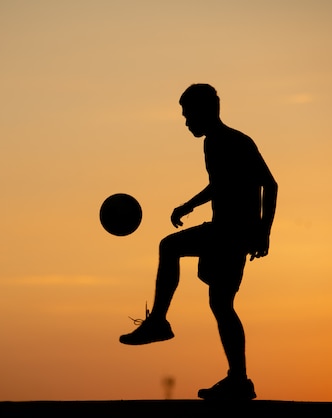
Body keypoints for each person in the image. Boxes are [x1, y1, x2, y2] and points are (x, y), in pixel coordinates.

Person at [119, 84, 277, 401]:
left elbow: (268, 184)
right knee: (221, 304)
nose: (186, 121)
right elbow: (220, 186)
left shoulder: (229, 141)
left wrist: (263, 232)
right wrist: (189, 205)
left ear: (205, 112)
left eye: (188, 114)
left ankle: (159, 323)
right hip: (232, 232)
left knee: (169, 246)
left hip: (230, 232)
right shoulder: (218, 142)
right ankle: (239, 380)